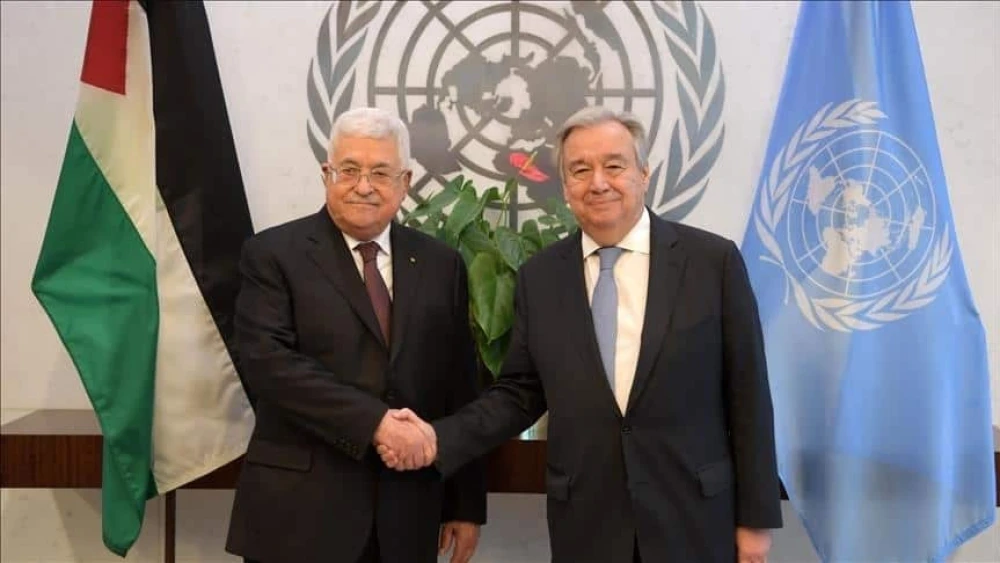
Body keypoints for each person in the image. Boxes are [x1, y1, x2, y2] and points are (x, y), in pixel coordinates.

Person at [380, 106, 783, 562]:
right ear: (566, 186)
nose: (598, 182)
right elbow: (520, 393)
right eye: (580, 169)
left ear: (644, 174)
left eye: (614, 165)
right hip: (589, 526)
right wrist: (438, 438)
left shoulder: (713, 263)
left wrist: (755, 522)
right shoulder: (540, 276)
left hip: (693, 519)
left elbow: (749, 396)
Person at [225, 107, 486, 563]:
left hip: (407, 517)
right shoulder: (272, 255)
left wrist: (465, 503)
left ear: (404, 183)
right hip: (298, 517)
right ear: (327, 174)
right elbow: (269, 365)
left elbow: (459, 385)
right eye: (349, 170)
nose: (363, 186)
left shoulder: (442, 265)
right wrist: (376, 423)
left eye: (380, 172)